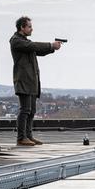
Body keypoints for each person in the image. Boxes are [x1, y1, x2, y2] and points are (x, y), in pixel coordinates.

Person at [10, 16, 61, 146]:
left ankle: (28, 136)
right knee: (25, 110)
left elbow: (37, 50)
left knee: (31, 111)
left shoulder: (25, 42)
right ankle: (21, 138)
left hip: (31, 81)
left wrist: (52, 48)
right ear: (22, 27)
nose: (32, 29)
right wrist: (50, 45)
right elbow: (33, 46)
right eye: (29, 26)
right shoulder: (16, 41)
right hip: (24, 80)